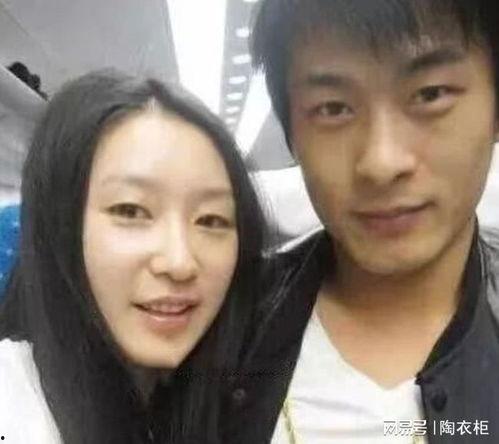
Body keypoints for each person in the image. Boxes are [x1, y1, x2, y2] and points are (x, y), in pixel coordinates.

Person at [221, 1, 499, 443]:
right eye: (333, 108)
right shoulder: (218, 329)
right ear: (292, 135)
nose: (381, 162)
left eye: (430, 94)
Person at [0, 70, 265, 443]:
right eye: (130, 210)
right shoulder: (13, 405)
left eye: (211, 219)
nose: (179, 262)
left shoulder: (240, 403)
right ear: (58, 226)